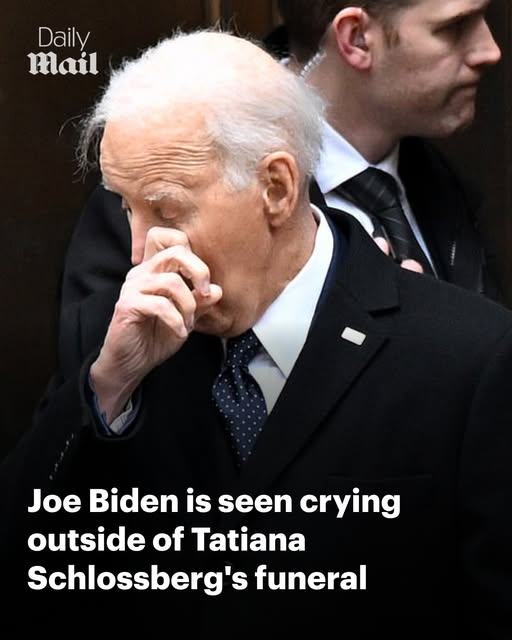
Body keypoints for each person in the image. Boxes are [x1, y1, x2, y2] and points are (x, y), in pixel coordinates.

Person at [2, 30, 512, 639]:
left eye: (166, 210)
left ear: (276, 188)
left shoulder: (471, 357)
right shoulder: (118, 343)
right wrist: (109, 387)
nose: (139, 253)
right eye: (126, 209)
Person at [57, 0, 503, 378]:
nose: (490, 50)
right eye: (453, 28)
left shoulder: (448, 188)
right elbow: (104, 412)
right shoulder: (158, 188)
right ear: (356, 38)